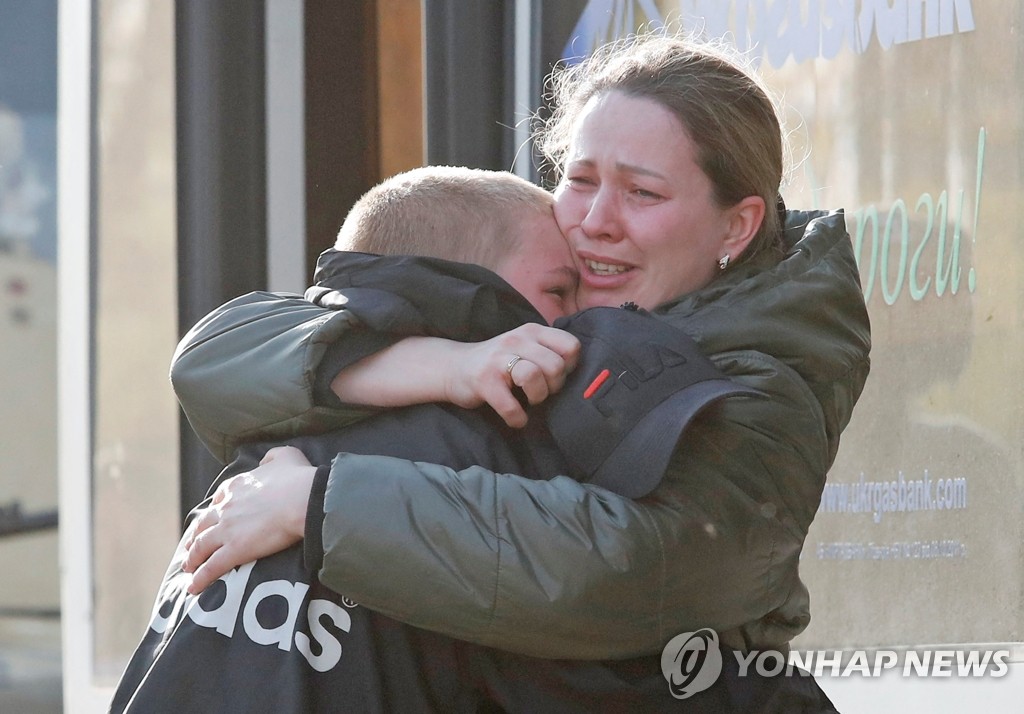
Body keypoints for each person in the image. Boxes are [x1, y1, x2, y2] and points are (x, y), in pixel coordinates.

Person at [173, 34, 870, 709]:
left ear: (736, 227)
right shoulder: (535, 319)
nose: (596, 220)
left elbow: (623, 569)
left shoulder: (761, 384)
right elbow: (214, 360)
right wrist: (446, 365)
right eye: (581, 179)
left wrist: (319, 503)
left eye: (643, 194)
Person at [113, 165, 756, 713]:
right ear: (460, 289)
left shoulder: (274, 442)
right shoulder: (490, 452)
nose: (579, 321)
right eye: (558, 290)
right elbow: (604, 676)